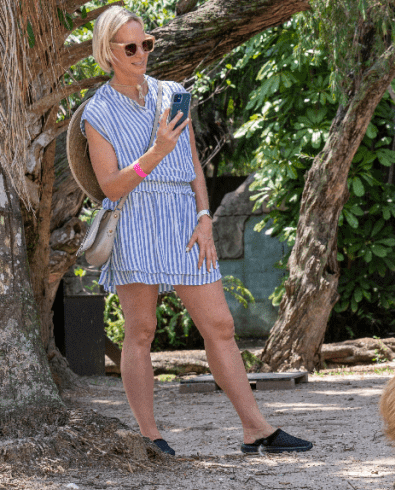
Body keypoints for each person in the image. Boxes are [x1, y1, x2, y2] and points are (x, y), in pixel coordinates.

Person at [80, 7, 312, 456]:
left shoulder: (173, 94)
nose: (141, 53)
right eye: (130, 47)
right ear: (107, 53)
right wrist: (156, 151)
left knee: (220, 324)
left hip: (184, 218)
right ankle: (151, 436)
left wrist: (205, 218)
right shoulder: (98, 111)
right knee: (141, 331)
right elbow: (110, 185)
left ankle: (256, 430)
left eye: (146, 44)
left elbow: (192, 168)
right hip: (135, 217)